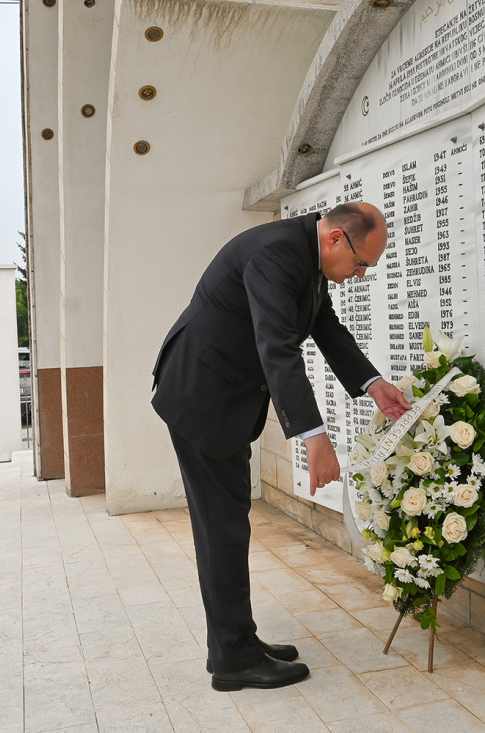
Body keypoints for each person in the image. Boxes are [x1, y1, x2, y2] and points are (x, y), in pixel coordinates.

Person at [151, 201, 410, 691]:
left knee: (227, 527)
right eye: (361, 264)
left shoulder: (306, 251)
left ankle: (238, 640)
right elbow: (277, 346)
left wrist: (374, 384)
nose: (358, 275)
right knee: (222, 530)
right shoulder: (277, 254)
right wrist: (314, 439)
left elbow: (324, 327)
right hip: (202, 397)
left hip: (220, 395)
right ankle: (233, 660)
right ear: (336, 239)